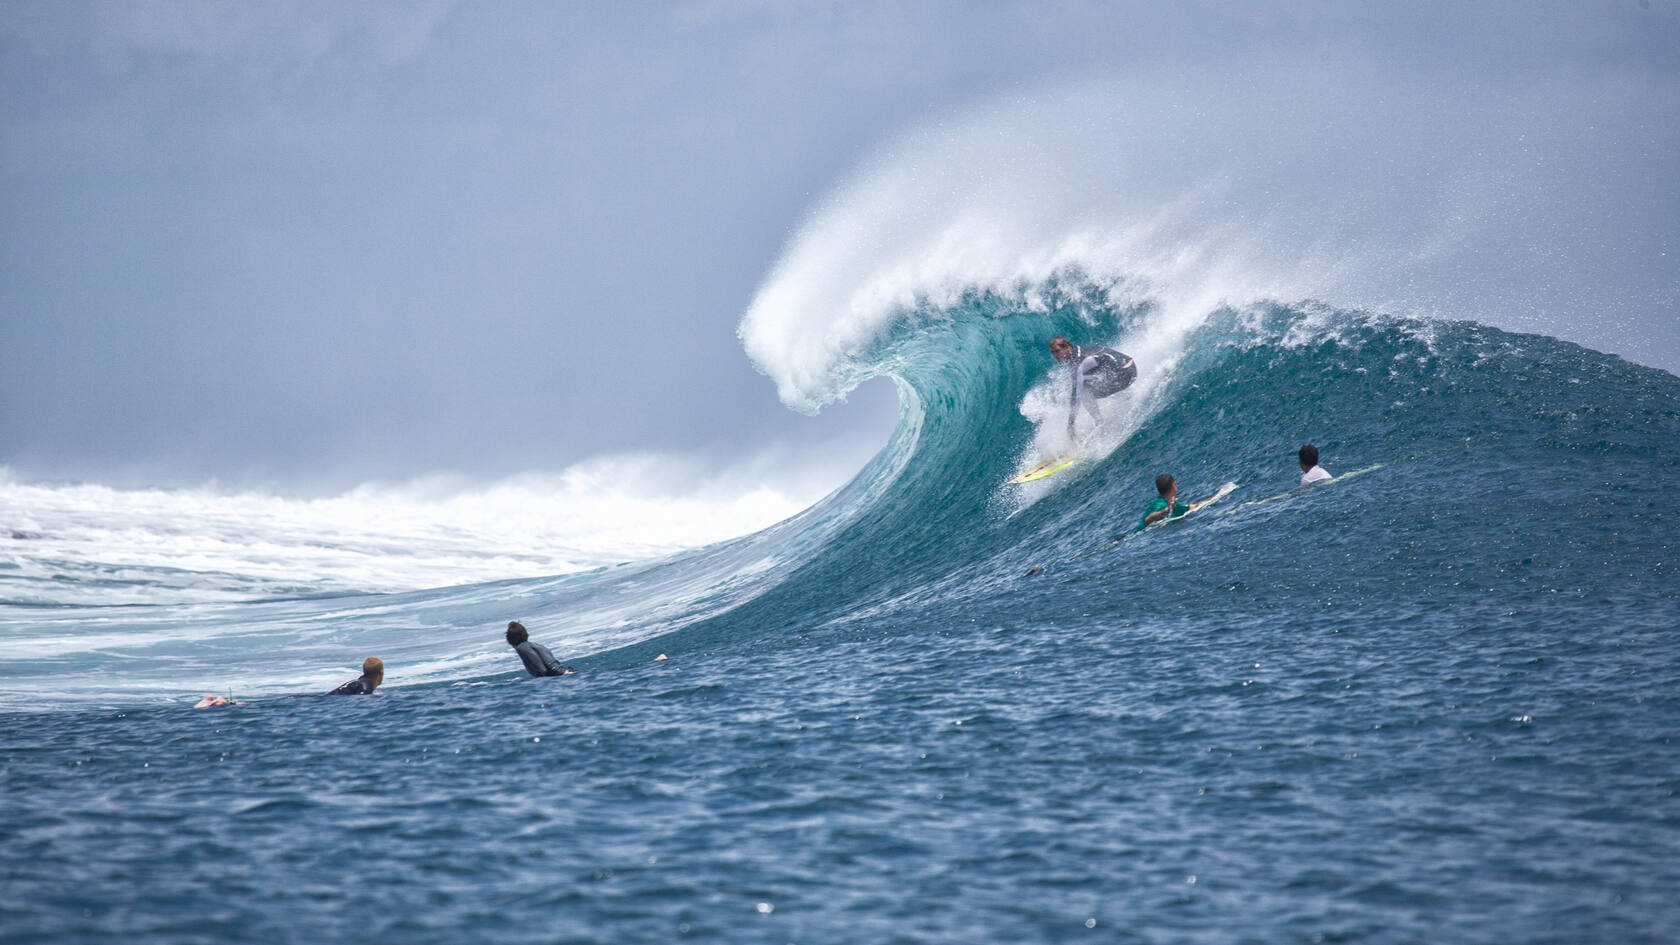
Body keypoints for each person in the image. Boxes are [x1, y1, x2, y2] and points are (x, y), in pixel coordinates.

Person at [1049, 336, 1136, 438]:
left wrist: (1071, 423)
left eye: (1057, 351)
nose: (1055, 355)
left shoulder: (1078, 362)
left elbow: (1076, 396)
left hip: (1126, 374)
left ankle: (1100, 424)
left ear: (1067, 347)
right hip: (1129, 367)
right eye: (1053, 352)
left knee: (1084, 393)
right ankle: (1125, 397)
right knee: (1084, 383)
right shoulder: (1080, 351)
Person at [1137, 473, 1225, 532]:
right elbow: (1148, 519)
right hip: (1137, 536)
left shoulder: (1174, 504)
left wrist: (1219, 494)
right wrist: (1166, 510)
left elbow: (1195, 506)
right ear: (1173, 485)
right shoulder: (1160, 504)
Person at [506, 621, 574, 678]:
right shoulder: (536, 645)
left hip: (560, 676)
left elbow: (542, 671)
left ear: (511, 640)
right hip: (568, 673)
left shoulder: (521, 648)